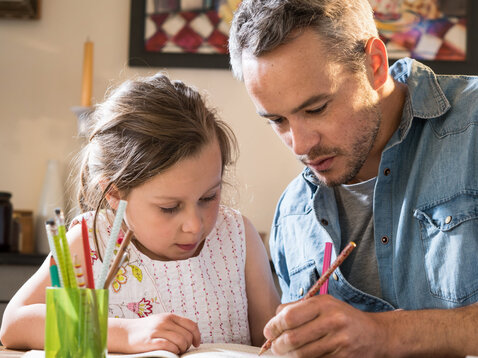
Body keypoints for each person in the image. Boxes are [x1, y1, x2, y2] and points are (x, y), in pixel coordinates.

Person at [228, 0, 478, 356]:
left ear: (375, 64)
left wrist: (385, 334)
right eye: (277, 121)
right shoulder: (291, 215)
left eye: (316, 108)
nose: (300, 145)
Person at [0, 74, 280, 354]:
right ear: (114, 194)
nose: (195, 225)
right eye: (169, 207)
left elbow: (272, 341)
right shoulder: (90, 242)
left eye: (208, 197)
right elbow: (13, 325)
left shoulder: (237, 238)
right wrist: (122, 333)